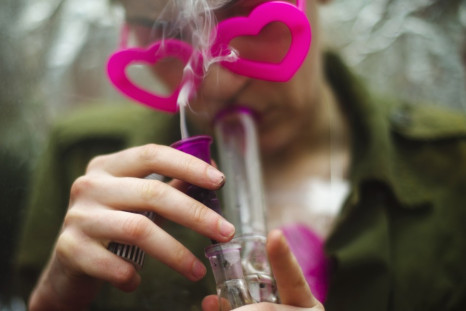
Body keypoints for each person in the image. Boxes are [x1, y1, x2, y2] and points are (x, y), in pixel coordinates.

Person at [14, 0, 466, 310]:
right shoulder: (83, 163)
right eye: (164, 34)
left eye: (250, 13)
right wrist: (54, 301)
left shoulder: (454, 167)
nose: (218, 83)